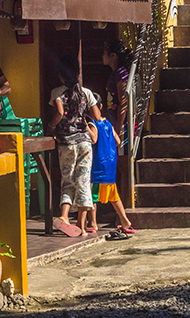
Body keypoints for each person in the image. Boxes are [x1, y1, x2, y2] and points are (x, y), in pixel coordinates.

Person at [48, 54, 101, 237]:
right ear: (77, 73)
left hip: (66, 143)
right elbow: (97, 116)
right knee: (84, 181)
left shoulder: (57, 93)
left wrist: (51, 127)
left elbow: (59, 113)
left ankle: (64, 216)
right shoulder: (86, 92)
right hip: (85, 143)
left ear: (61, 75)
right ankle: (82, 224)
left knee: (68, 181)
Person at [87, 95, 136, 236]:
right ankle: (125, 221)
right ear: (101, 107)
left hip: (98, 165)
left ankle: (92, 223)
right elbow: (118, 141)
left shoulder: (92, 124)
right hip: (110, 164)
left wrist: (85, 125)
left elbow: (94, 139)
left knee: (93, 196)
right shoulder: (107, 123)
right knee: (114, 196)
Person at [102, 39, 134, 203]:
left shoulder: (121, 74)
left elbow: (124, 101)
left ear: (113, 55)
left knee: (123, 167)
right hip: (114, 124)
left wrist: (120, 127)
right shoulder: (116, 73)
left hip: (122, 125)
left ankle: (126, 206)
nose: (102, 56)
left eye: (105, 53)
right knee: (117, 167)